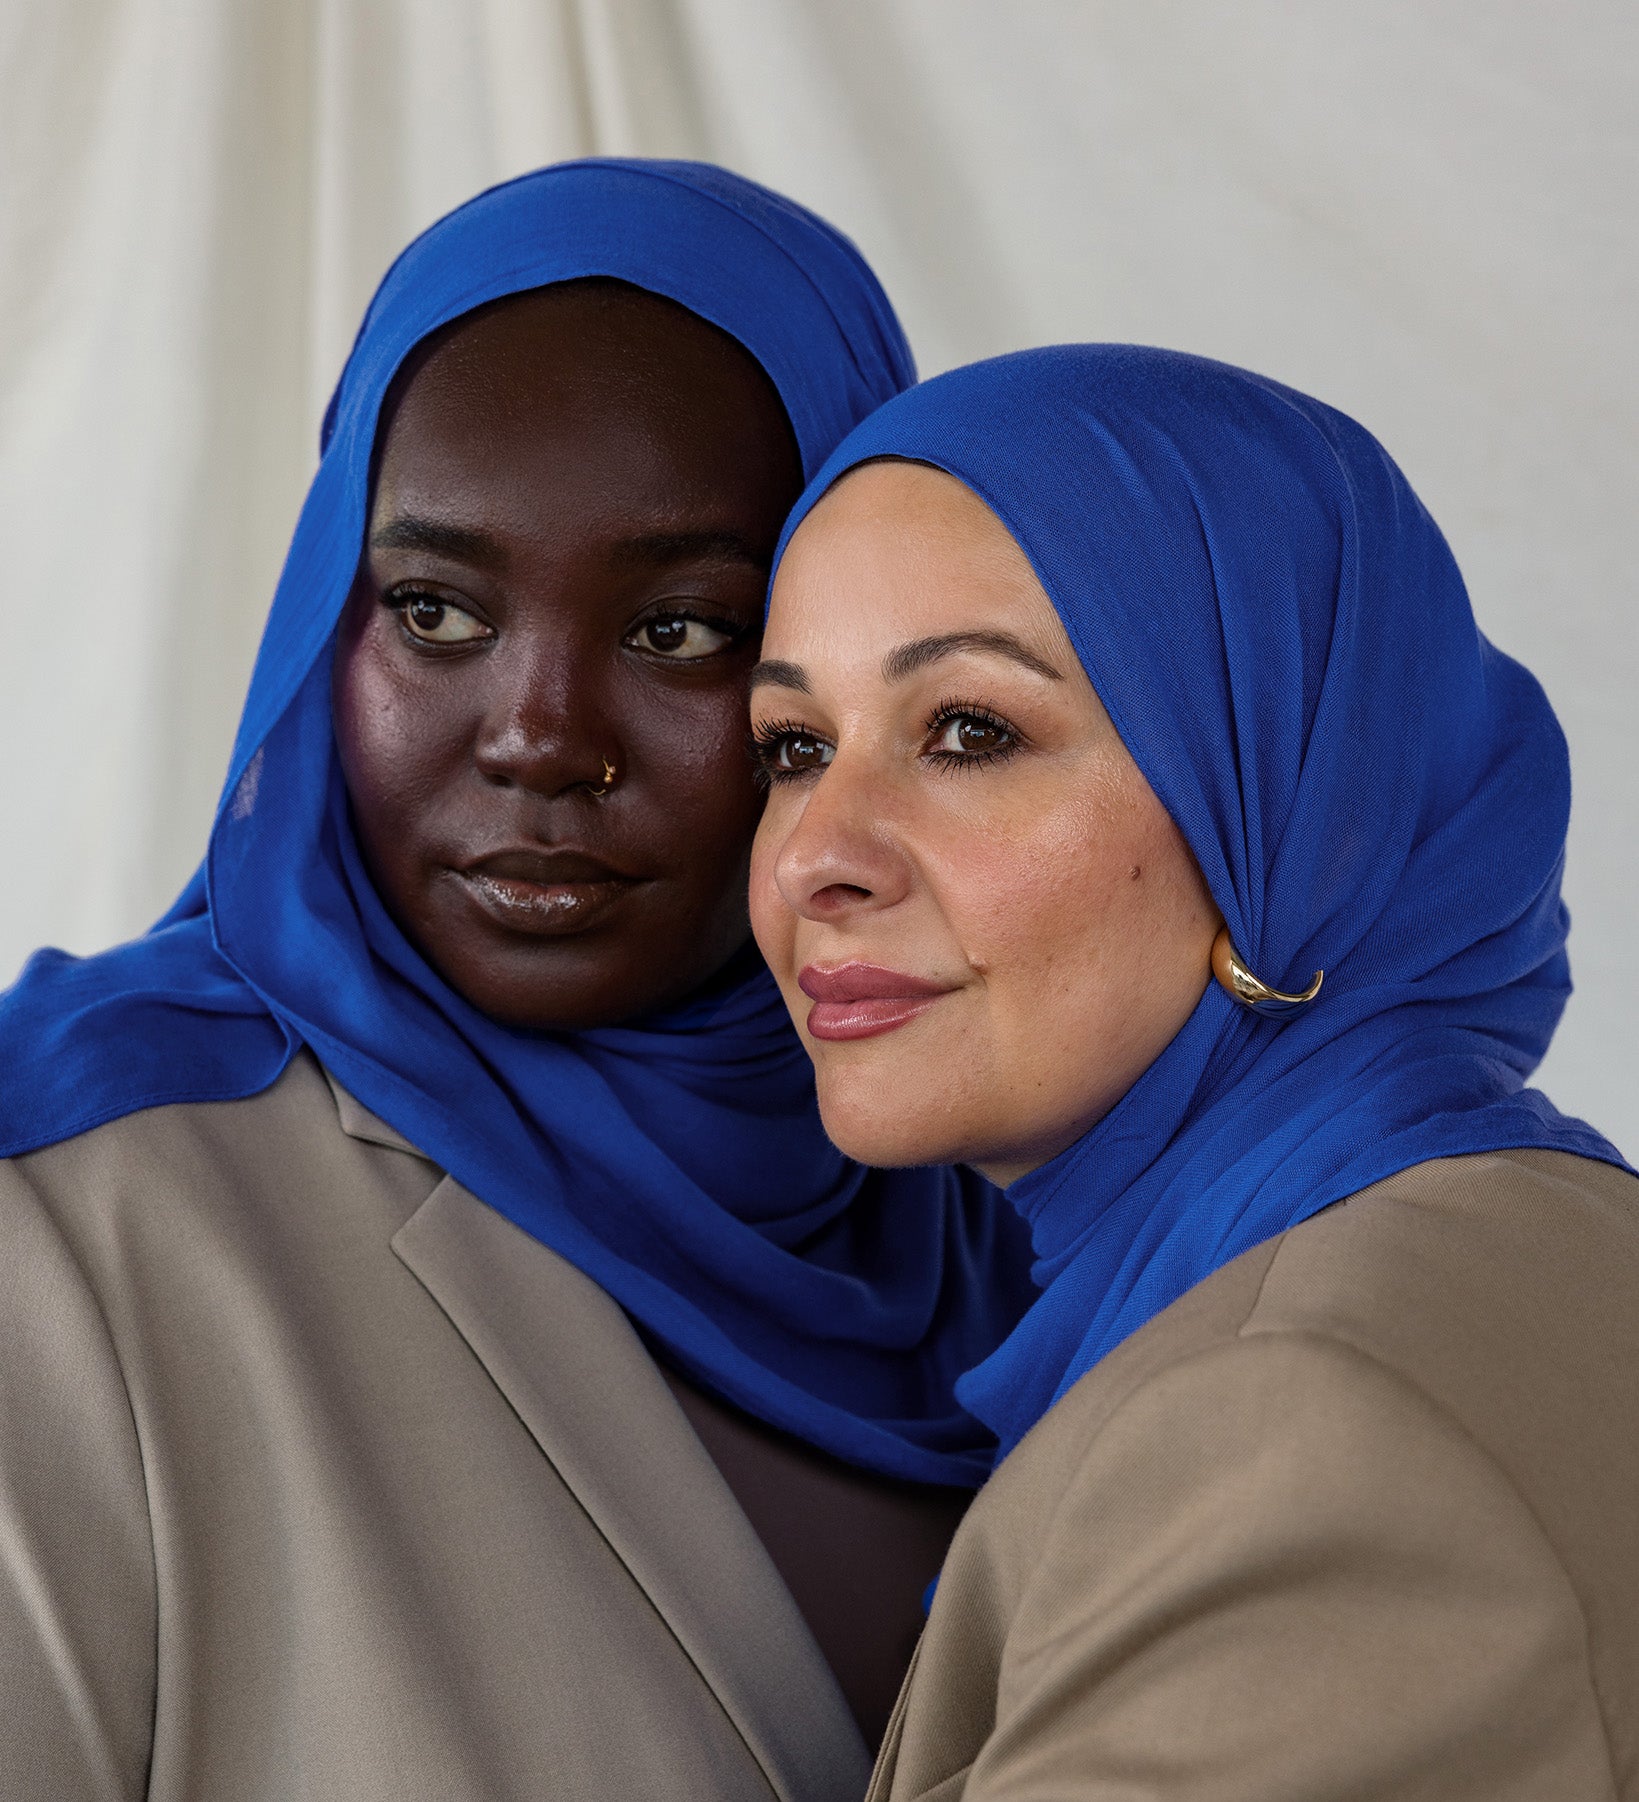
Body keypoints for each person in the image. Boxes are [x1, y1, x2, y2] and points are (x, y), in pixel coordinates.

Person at [0, 161, 1033, 1802]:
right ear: (320, 626)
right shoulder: (68, 1214)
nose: (541, 735)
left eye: (683, 630)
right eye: (431, 608)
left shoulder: (1017, 1222)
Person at [749, 343, 1639, 1800]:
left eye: (968, 731)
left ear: (1293, 813)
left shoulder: (1304, 1420)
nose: (811, 857)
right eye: (792, 746)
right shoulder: (1514, 1238)